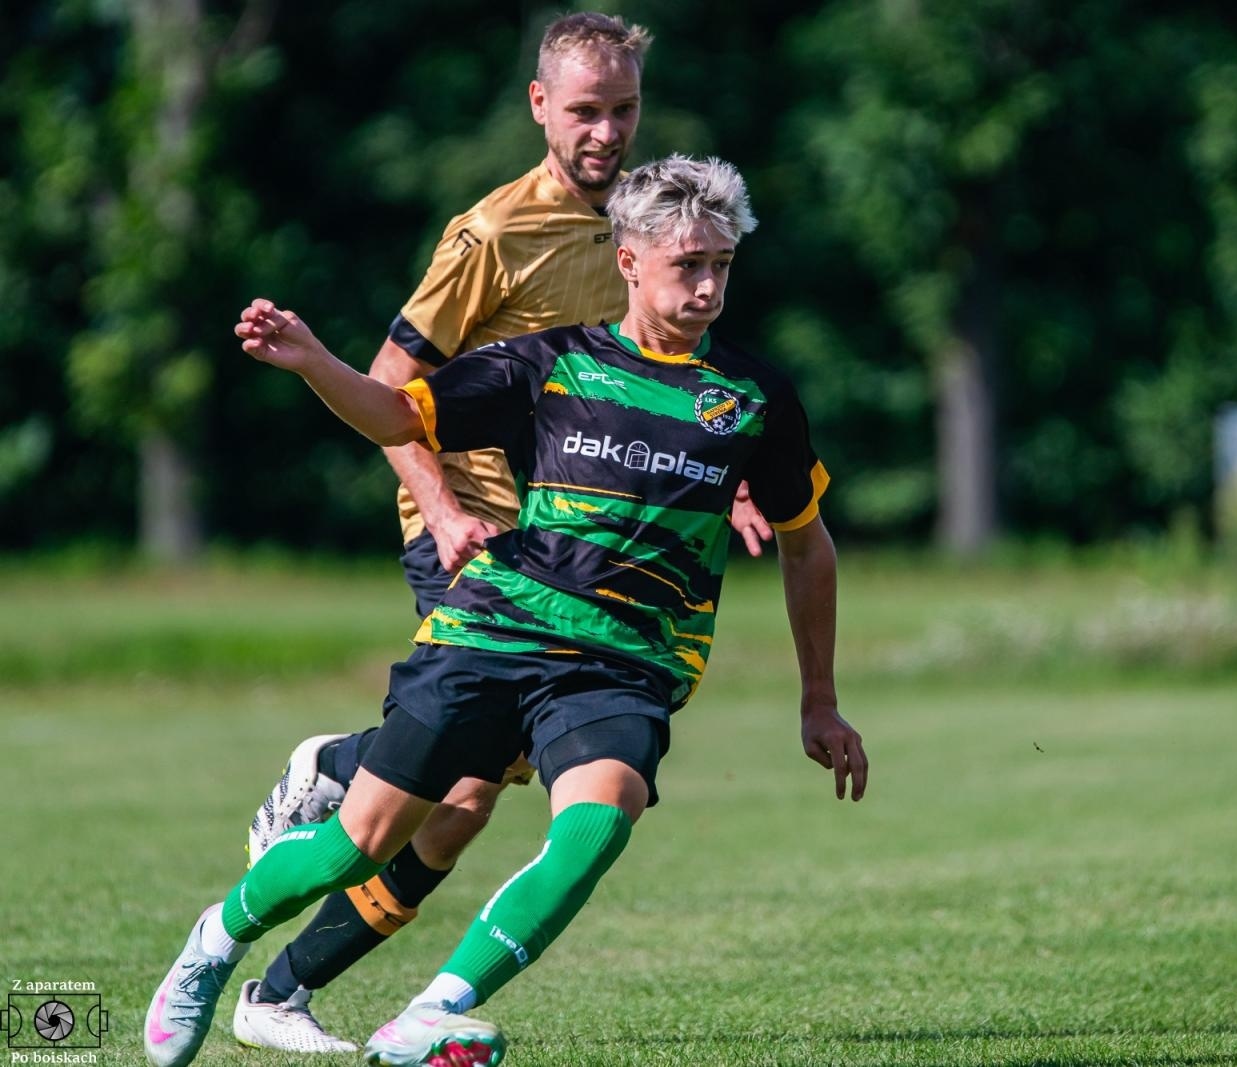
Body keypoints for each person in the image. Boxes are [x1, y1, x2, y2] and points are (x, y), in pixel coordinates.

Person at [144, 155, 867, 1067]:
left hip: (626, 664)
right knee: (354, 845)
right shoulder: (552, 363)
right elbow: (396, 415)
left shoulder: (755, 399)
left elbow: (807, 541)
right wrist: (314, 362)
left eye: (723, 263)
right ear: (631, 260)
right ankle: (216, 939)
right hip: (494, 631)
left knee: (602, 819)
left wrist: (819, 697)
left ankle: (431, 1012)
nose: (710, 284)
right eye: (690, 263)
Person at [224, 13, 769, 1055]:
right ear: (537, 106)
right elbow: (392, 386)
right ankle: (333, 796)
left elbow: (664, 376)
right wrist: (440, 505)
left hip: (575, 538)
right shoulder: (492, 235)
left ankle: (281, 982)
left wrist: (725, 482)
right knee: (463, 788)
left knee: (464, 804)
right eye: (584, 111)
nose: (607, 132)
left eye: (624, 109)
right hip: (476, 527)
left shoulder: (655, 219)